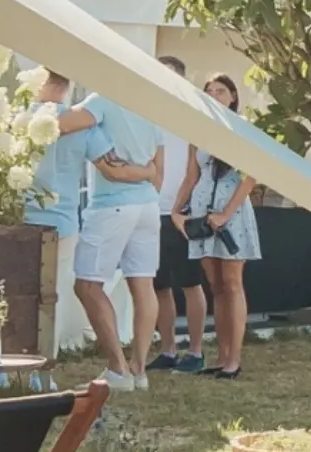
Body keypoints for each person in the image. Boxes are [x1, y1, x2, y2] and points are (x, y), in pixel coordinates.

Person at [59, 91, 166, 391]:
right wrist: (145, 173)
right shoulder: (149, 106)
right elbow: (159, 171)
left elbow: (64, 123)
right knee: (143, 285)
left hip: (112, 206)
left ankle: (118, 370)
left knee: (87, 285)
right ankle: (139, 370)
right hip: (148, 205)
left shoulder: (104, 99)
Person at [172, 74, 261, 380]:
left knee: (233, 283)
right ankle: (222, 356)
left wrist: (225, 213)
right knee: (216, 287)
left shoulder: (242, 128)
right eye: (209, 91)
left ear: (234, 96)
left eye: (220, 91)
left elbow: (251, 176)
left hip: (231, 211)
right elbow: (191, 175)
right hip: (201, 210)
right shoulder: (198, 131)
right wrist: (176, 210)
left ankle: (235, 359)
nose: (214, 95)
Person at [22, 70, 117, 354]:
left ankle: (7, 361)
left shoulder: (18, 120)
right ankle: (45, 363)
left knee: (16, 292)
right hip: (62, 220)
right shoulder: (84, 126)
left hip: (22, 217)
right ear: (67, 86)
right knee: (55, 296)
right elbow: (111, 167)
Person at [147, 56, 214, 375]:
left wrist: (178, 210)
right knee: (158, 285)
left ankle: (197, 351)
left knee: (189, 283)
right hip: (150, 210)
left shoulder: (190, 117)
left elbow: (193, 169)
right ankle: (168, 349)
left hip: (180, 214)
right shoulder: (146, 113)